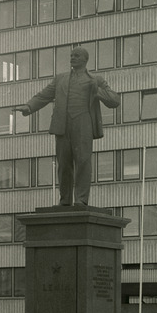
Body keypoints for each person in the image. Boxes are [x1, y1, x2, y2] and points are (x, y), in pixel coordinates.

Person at [18, 47, 120, 206]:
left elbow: (115, 100)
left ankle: (81, 199)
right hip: (63, 124)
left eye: (76, 55)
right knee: (64, 163)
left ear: (85, 59)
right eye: (71, 55)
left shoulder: (96, 80)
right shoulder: (60, 79)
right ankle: (65, 200)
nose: (72, 58)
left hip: (84, 122)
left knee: (83, 162)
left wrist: (97, 91)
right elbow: (44, 95)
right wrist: (29, 107)